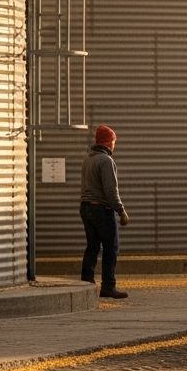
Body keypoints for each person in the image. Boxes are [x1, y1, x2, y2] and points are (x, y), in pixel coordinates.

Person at [80, 125, 130, 299]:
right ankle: (108, 286)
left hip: (85, 207)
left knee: (93, 247)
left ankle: (86, 284)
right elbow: (110, 189)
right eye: (114, 141)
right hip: (101, 209)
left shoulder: (88, 159)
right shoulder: (106, 161)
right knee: (111, 247)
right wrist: (121, 211)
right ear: (109, 142)